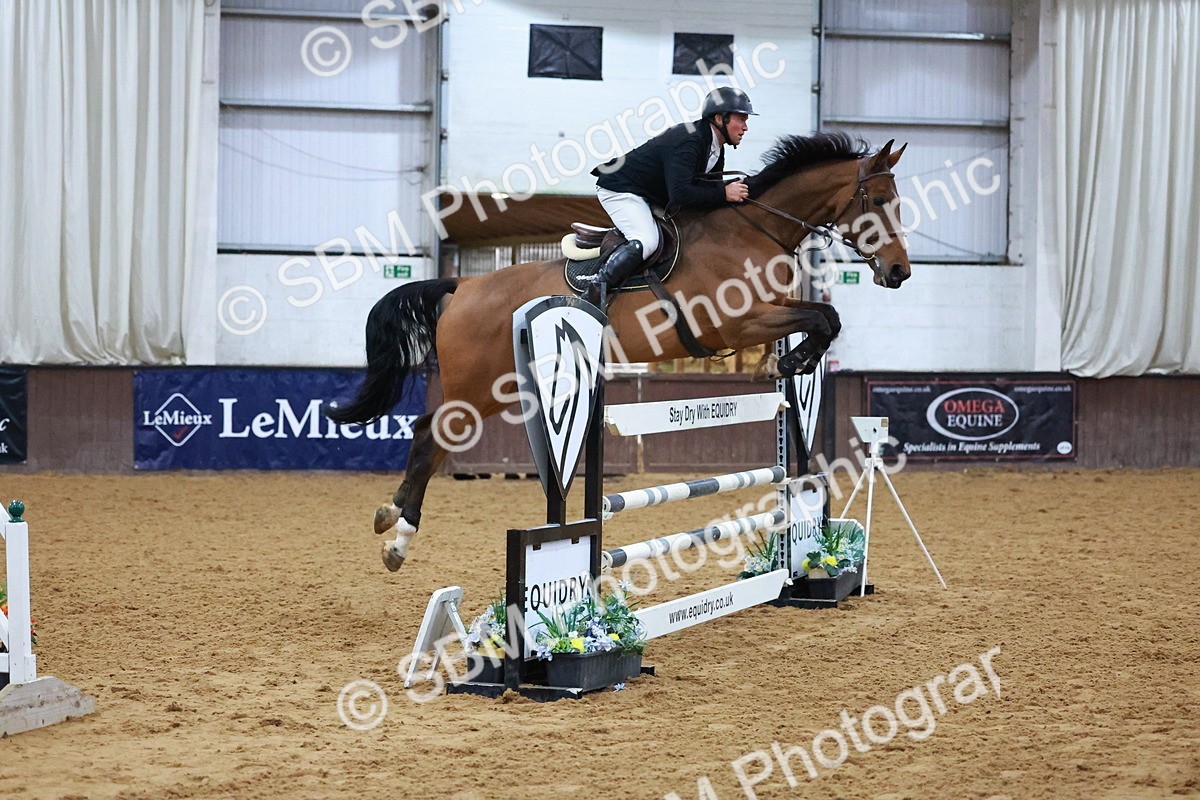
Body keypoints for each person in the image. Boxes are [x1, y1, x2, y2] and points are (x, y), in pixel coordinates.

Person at [583, 86, 756, 307]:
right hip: (621, 189)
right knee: (647, 241)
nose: (745, 127)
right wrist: (723, 192)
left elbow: (704, 193)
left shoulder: (714, 147)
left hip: (650, 195)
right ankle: (592, 294)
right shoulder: (689, 140)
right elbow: (681, 194)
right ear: (719, 118)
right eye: (741, 119)